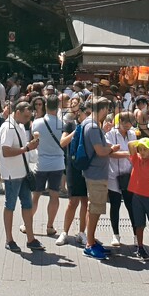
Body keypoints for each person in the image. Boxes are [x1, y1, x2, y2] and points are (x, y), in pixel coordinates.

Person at [0, 101, 43, 252]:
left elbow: (21, 149)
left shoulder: (19, 125)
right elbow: (5, 151)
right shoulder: (8, 127)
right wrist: (26, 148)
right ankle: (9, 239)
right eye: (25, 116)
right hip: (12, 174)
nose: (27, 119)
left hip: (22, 172)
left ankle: (30, 238)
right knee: (10, 205)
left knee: (27, 204)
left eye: (28, 116)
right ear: (17, 112)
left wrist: (29, 147)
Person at [79, 98, 119, 260]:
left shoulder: (88, 123)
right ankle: (90, 244)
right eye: (107, 110)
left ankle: (91, 240)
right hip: (96, 173)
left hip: (93, 172)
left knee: (92, 207)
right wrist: (112, 148)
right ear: (103, 109)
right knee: (95, 209)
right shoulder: (94, 126)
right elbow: (100, 151)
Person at [30, 95, 64, 237]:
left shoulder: (36, 123)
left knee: (36, 195)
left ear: (45, 106)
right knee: (54, 195)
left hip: (41, 162)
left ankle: (28, 223)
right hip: (57, 163)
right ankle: (50, 225)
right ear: (58, 107)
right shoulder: (62, 124)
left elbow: (34, 139)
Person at [58, 103, 88, 246]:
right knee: (72, 201)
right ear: (79, 113)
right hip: (73, 166)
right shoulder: (70, 125)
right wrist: (75, 132)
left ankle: (82, 233)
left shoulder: (92, 126)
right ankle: (65, 232)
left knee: (85, 201)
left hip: (88, 166)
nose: (87, 116)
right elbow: (62, 142)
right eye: (85, 113)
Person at [106, 111, 137, 248]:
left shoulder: (133, 134)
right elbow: (110, 153)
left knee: (131, 206)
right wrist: (127, 153)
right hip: (113, 175)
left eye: (131, 124)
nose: (129, 127)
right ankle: (115, 234)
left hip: (129, 175)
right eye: (127, 124)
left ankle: (137, 235)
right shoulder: (110, 134)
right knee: (115, 205)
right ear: (121, 122)